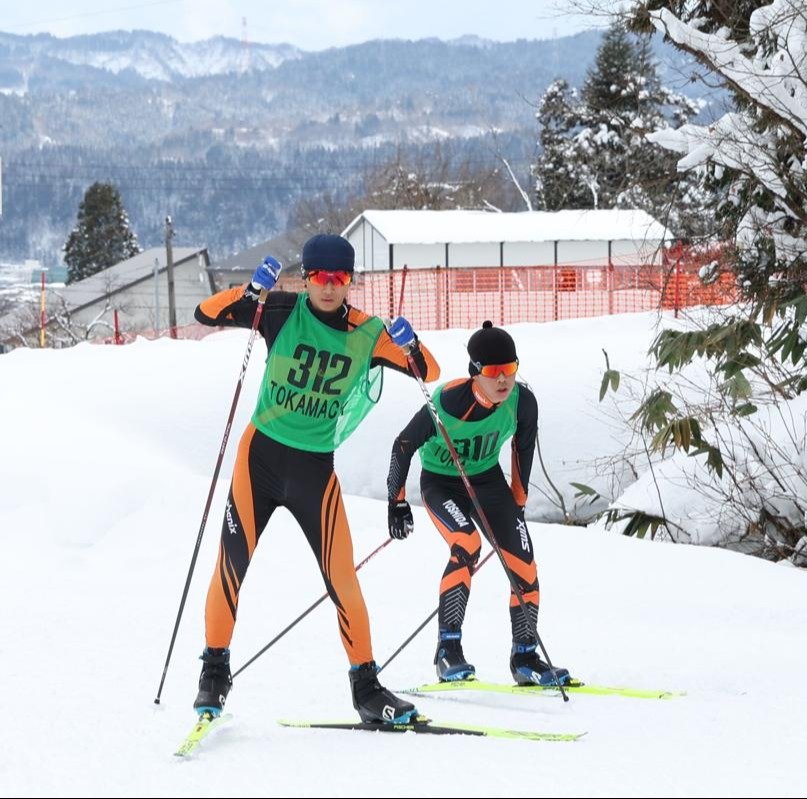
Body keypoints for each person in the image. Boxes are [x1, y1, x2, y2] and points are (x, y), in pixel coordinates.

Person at [190, 233, 441, 723]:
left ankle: (366, 689)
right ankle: (213, 673)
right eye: (320, 277)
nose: (329, 286)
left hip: (314, 469)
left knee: (343, 578)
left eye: (340, 277)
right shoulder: (280, 311)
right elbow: (206, 314)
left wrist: (412, 342)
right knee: (231, 565)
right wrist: (247, 294)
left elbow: (427, 370)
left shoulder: (367, 332)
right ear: (306, 279)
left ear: (350, 281)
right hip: (259, 459)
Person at [386, 321, 571, 687]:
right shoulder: (448, 402)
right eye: (492, 372)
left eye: (510, 370)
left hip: (487, 482)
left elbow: (523, 448)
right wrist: (397, 501)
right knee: (466, 544)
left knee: (524, 563)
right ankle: (448, 651)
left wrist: (518, 500)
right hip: (442, 483)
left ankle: (525, 657)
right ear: (475, 372)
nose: (503, 379)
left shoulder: (523, 401)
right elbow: (402, 445)